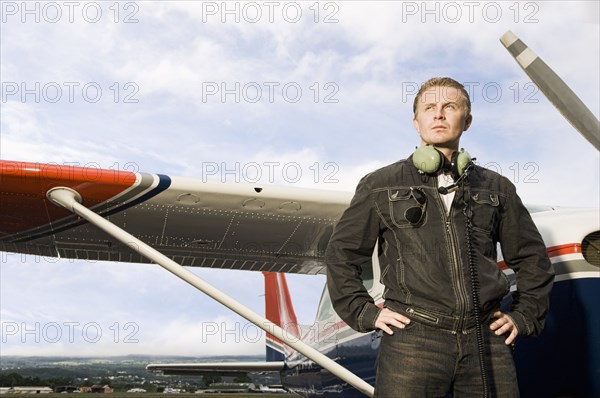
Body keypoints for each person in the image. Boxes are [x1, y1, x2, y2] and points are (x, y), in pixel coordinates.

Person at [325, 77, 554, 397]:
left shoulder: (498, 188)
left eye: (450, 107)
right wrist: (365, 312)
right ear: (416, 121)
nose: (439, 114)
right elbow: (341, 254)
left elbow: (532, 258)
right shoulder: (379, 185)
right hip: (412, 339)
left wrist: (525, 316)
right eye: (429, 108)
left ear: (467, 120)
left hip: (486, 339)